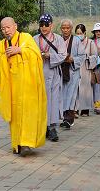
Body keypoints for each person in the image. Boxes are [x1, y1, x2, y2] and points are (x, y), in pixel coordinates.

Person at [0, 17, 47, 157]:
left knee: (28, 114)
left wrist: (20, 50)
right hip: (12, 88)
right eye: (3, 28)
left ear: (15, 26)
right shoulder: (1, 45)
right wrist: (4, 58)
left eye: (8, 27)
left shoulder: (26, 38)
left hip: (28, 86)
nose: (6, 31)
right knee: (15, 116)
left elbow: (37, 56)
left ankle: (26, 143)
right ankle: (16, 143)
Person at [33, 14, 67, 142]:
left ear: (51, 25)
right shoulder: (34, 39)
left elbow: (63, 55)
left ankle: (52, 127)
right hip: (39, 73)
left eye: (46, 24)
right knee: (40, 101)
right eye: (41, 24)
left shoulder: (58, 39)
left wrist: (50, 55)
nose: (44, 27)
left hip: (53, 74)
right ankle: (42, 127)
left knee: (53, 100)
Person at [60, 19, 85, 129]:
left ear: (71, 29)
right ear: (61, 29)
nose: (65, 30)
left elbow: (82, 56)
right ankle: (62, 117)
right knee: (61, 95)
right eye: (63, 28)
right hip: (60, 71)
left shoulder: (76, 41)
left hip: (72, 71)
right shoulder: (58, 40)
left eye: (68, 28)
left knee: (71, 95)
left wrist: (73, 59)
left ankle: (69, 119)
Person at [75, 24, 98, 117]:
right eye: (77, 33)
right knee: (75, 89)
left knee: (85, 90)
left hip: (86, 68)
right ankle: (75, 109)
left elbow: (95, 56)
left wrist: (88, 58)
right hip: (76, 68)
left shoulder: (90, 42)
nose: (79, 35)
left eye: (80, 33)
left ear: (84, 33)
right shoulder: (74, 42)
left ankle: (85, 109)